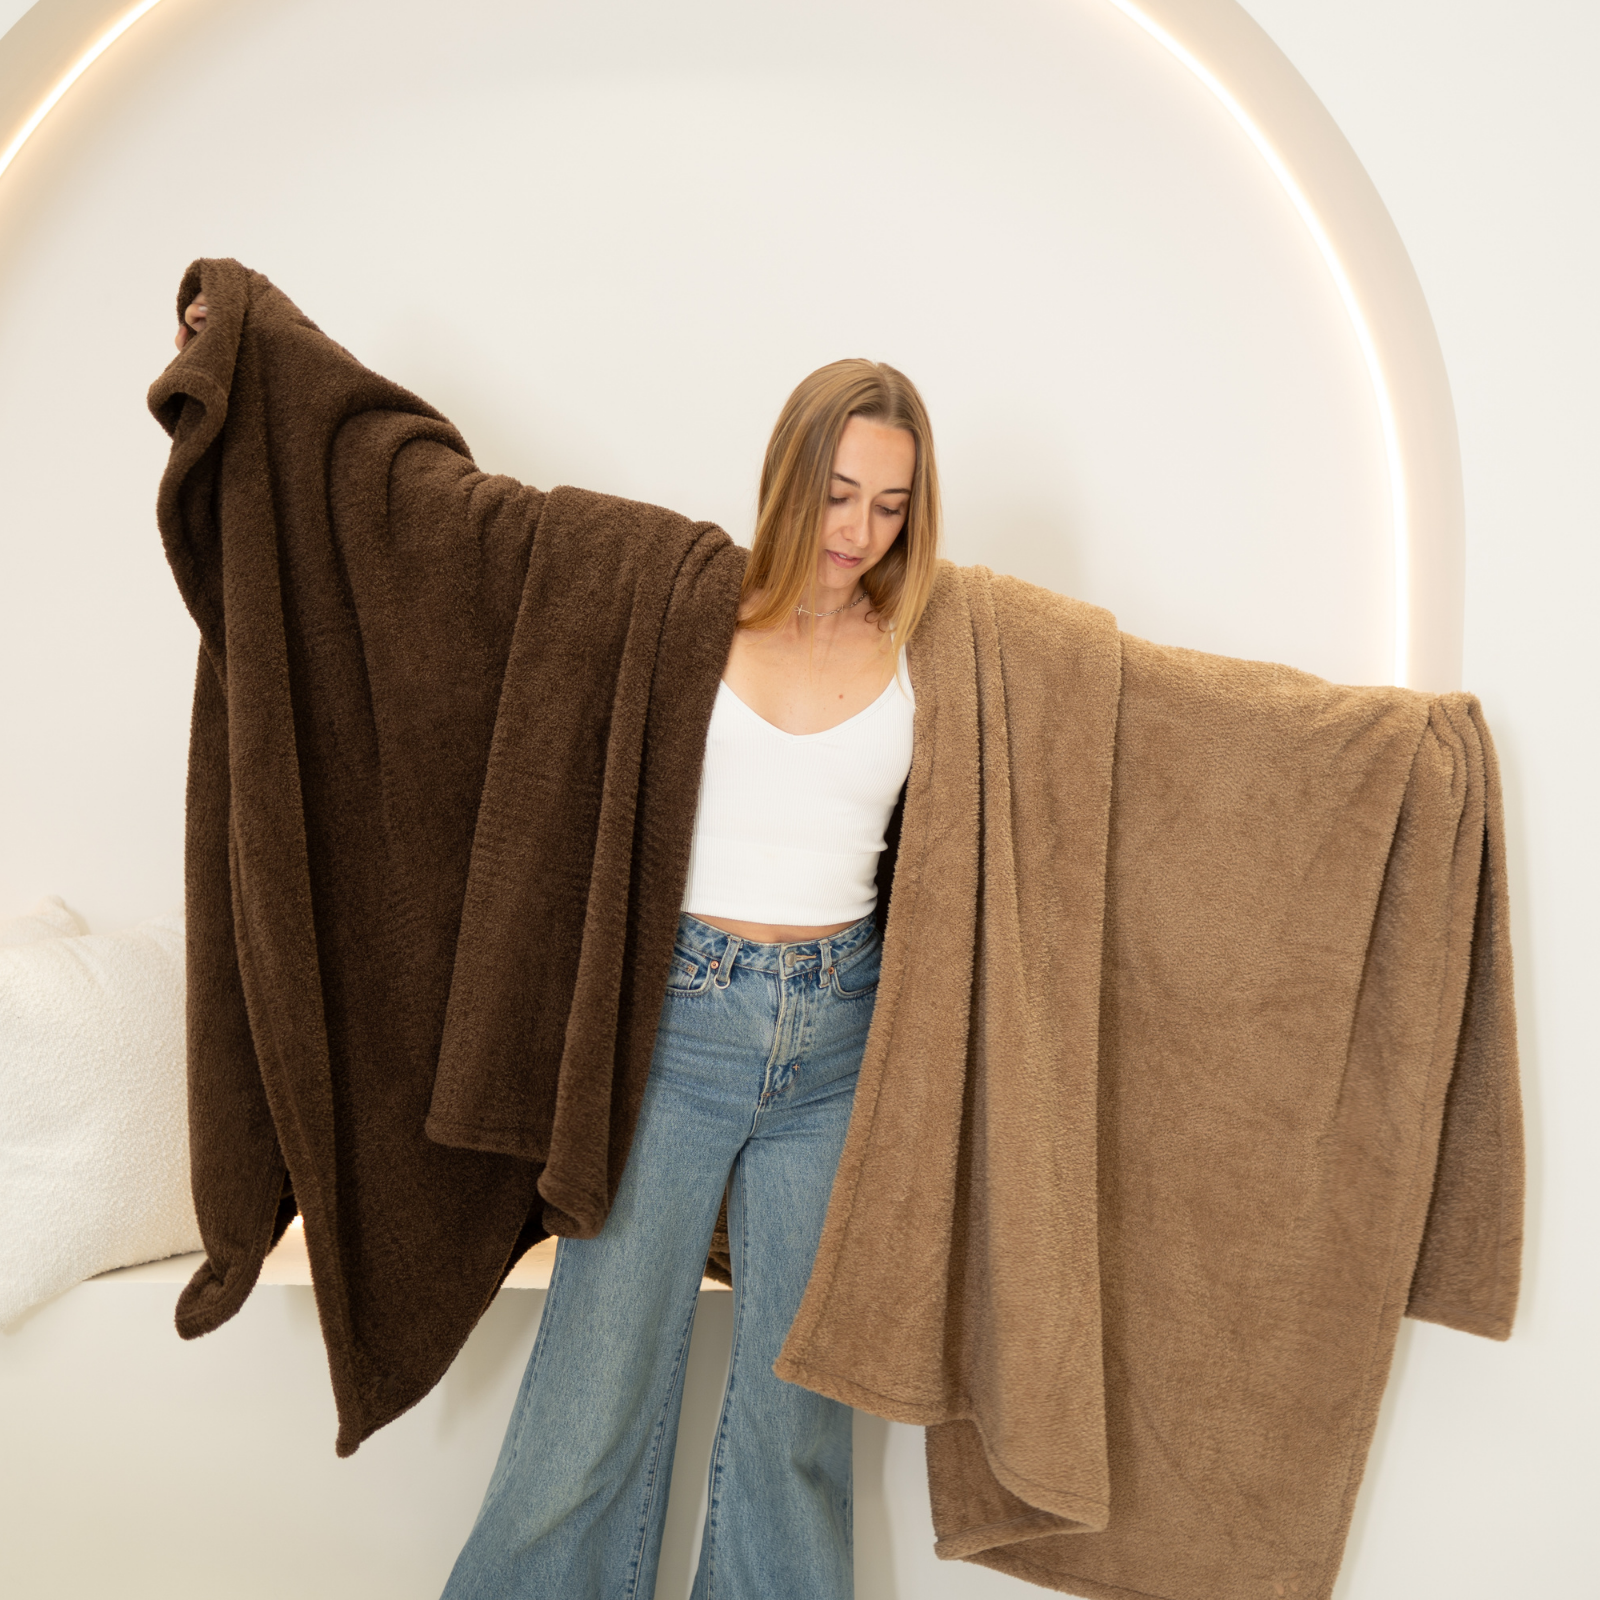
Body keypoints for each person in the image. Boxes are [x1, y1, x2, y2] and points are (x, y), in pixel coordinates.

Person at [175, 297, 940, 1599]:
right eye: (837, 494)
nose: (857, 532)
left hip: (837, 1055)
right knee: (595, 1400)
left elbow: (1106, 713)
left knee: (800, 1427)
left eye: (889, 506)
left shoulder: (935, 651)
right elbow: (447, 523)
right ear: (786, 478)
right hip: (684, 1033)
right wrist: (252, 352)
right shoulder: (679, 603)